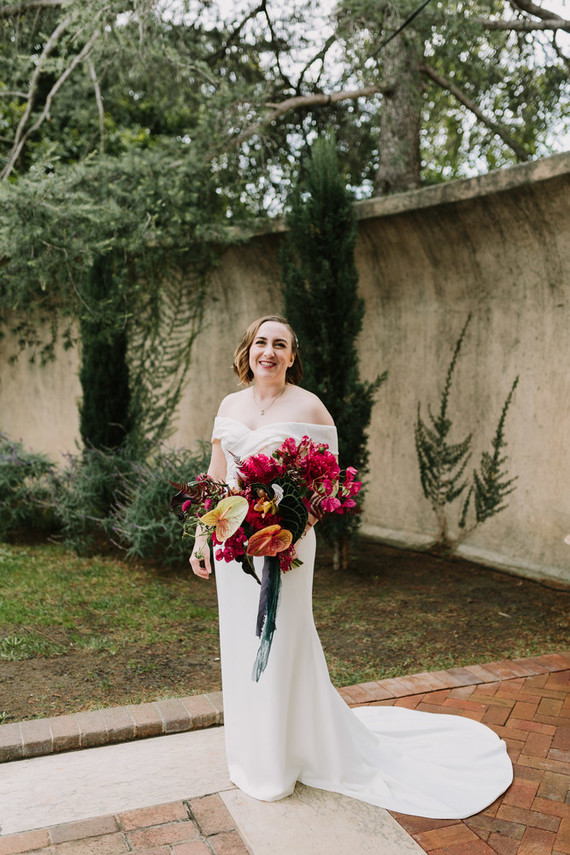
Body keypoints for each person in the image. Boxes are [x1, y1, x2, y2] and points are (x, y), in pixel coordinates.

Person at [189, 314, 513, 818]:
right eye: (261, 343)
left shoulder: (309, 406)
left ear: (292, 356)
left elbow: (329, 484)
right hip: (234, 549)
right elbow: (215, 478)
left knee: (285, 640)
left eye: (280, 344)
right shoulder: (229, 405)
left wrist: (288, 533)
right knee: (239, 641)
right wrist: (202, 538)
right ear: (248, 351)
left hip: (288, 548)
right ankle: (252, 752)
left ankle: (284, 758)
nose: (269, 352)